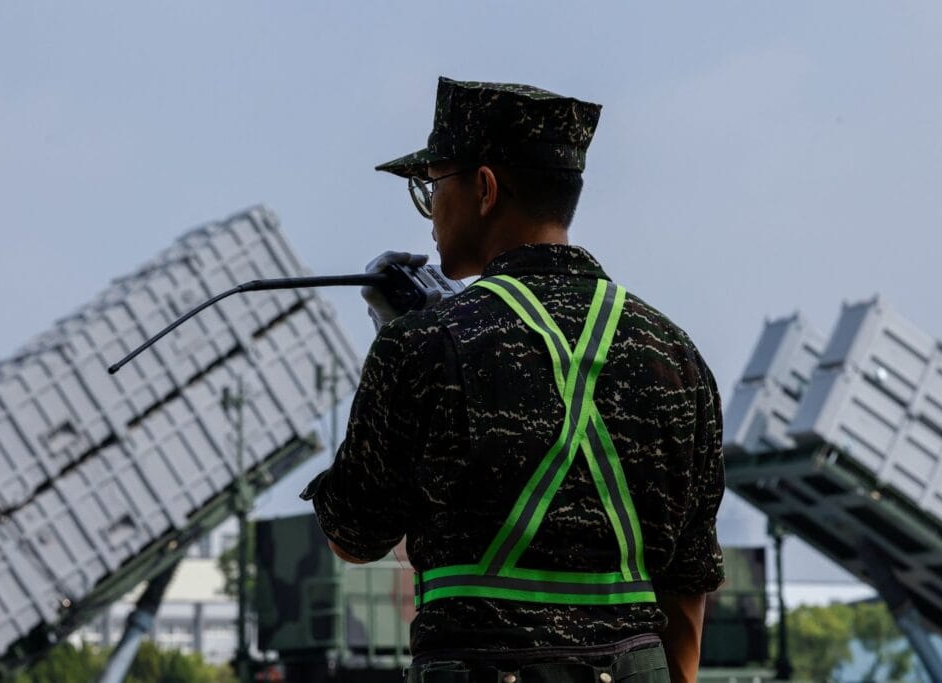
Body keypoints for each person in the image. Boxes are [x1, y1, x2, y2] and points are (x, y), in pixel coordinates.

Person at [302, 76, 725, 683]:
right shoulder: (675, 357)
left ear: (484, 188)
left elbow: (353, 534)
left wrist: (398, 343)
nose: (428, 213)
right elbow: (688, 586)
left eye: (431, 188)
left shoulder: (420, 346)